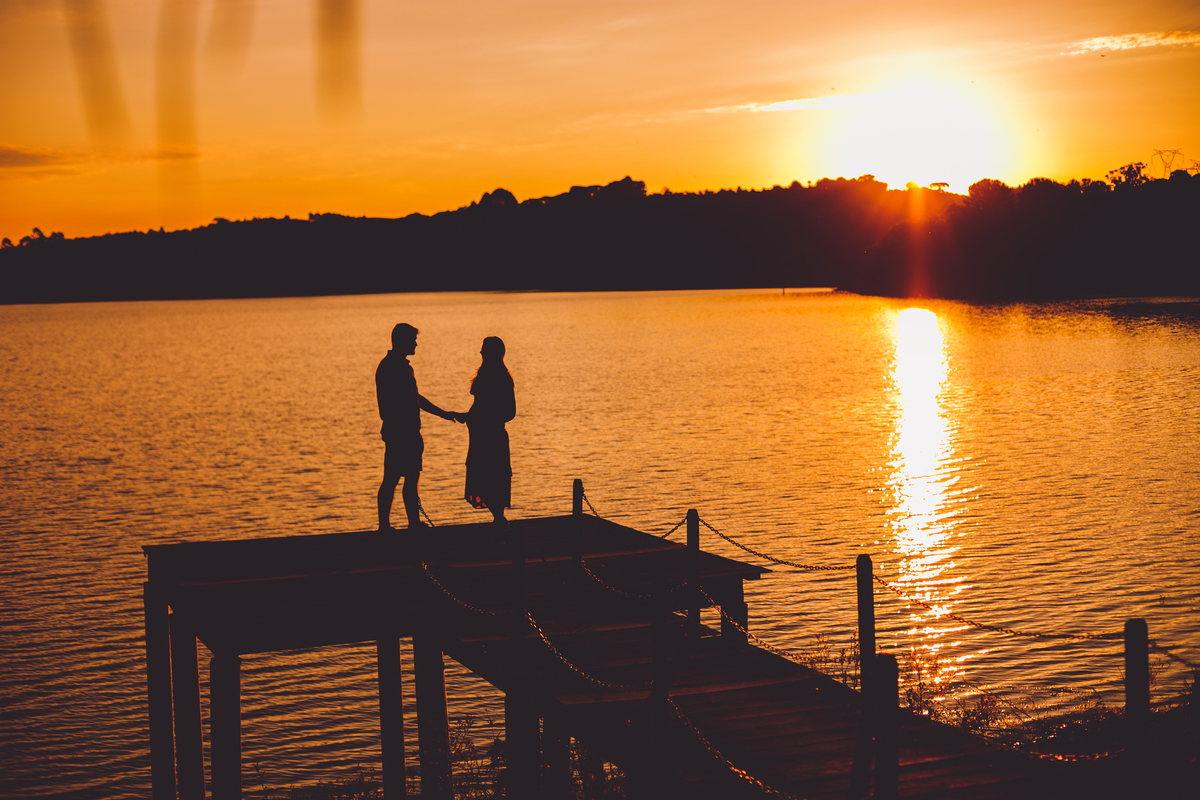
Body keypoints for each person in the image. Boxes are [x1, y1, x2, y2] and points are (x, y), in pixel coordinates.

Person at [376, 323, 461, 531]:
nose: (416, 344)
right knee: (396, 480)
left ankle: (403, 524)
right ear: (402, 341)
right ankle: (395, 526)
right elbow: (400, 403)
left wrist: (443, 413)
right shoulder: (392, 367)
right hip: (401, 433)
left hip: (405, 432)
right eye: (413, 340)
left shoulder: (400, 366)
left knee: (404, 479)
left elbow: (415, 398)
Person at [461, 336, 516, 523]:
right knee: (484, 477)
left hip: (492, 437)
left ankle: (499, 520)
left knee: (494, 476)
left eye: (484, 349)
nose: (481, 352)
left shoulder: (503, 378)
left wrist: (484, 419)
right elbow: (478, 406)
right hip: (479, 437)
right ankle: (498, 520)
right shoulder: (484, 375)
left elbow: (510, 412)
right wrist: (470, 417)